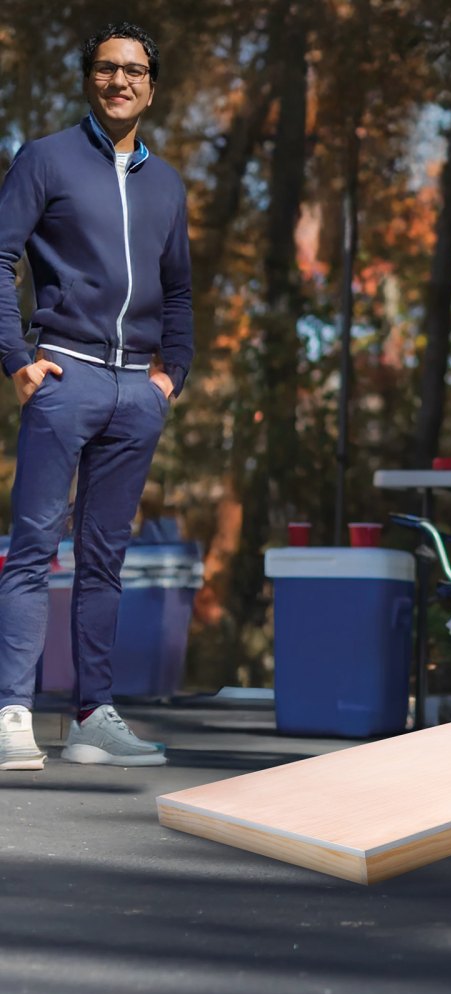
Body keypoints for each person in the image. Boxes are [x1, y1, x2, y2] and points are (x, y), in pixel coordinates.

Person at [0, 22, 193, 769]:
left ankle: (92, 719)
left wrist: (171, 377)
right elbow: (1, 258)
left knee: (105, 562)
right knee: (32, 550)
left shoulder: (167, 184)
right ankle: (12, 712)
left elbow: (179, 291)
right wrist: (18, 362)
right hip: (64, 376)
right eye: (107, 69)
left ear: (152, 87)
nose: (120, 81)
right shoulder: (45, 158)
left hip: (136, 391)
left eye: (134, 70)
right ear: (89, 80)